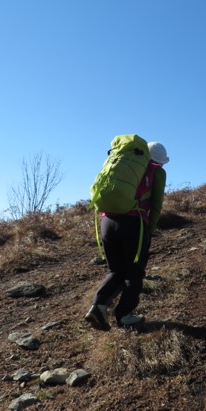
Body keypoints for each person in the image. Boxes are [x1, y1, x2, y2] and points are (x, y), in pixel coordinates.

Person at [85, 141, 168, 330]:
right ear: (159, 160)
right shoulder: (157, 171)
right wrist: (149, 230)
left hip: (107, 221)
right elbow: (156, 205)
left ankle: (98, 306)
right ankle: (124, 315)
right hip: (133, 224)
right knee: (134, 273)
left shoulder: (123, 164)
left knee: (116, 270)